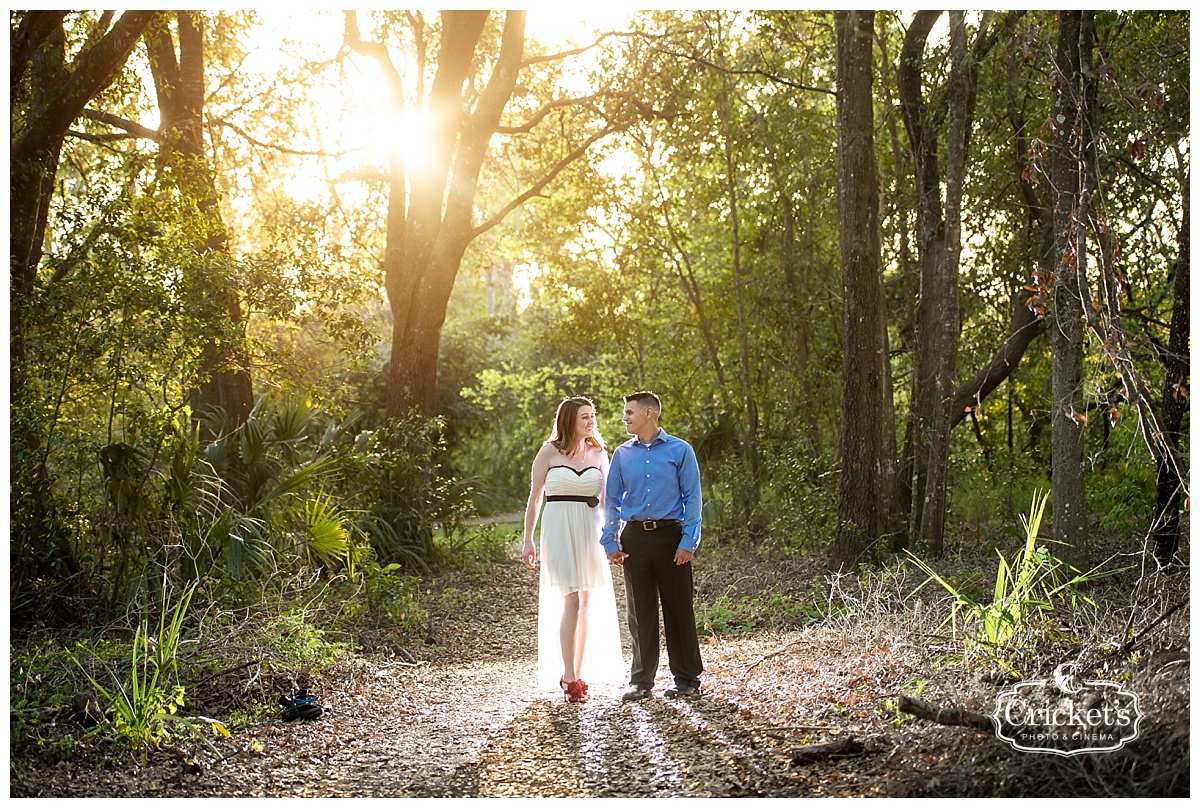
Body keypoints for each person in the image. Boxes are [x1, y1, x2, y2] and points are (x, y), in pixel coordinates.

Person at [601, 391, 704, 701]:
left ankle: (686, 679)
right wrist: (609, 542)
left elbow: (693, 498)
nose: (625, 418)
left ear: (649, 413)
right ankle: (641, 681)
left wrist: (689, 541)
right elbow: (611, 502)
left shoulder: (680, 450)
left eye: (629, 412)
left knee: (678, 609)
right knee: (639, 612)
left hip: (670, 537)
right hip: (634, 539)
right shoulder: (621, 454)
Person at [522, 396, 624, 702]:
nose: (591, 421)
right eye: (584, 416)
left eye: (592, 415)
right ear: (569, 420)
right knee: (571, 601)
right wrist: (528, 539)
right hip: (558, 527)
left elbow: (608, 500)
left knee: (588, 601)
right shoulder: (548, 452)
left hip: (589, 527)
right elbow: (535, 499)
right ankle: (567, 675)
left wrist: (615, 535)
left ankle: (578, 673)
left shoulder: (598, 451)